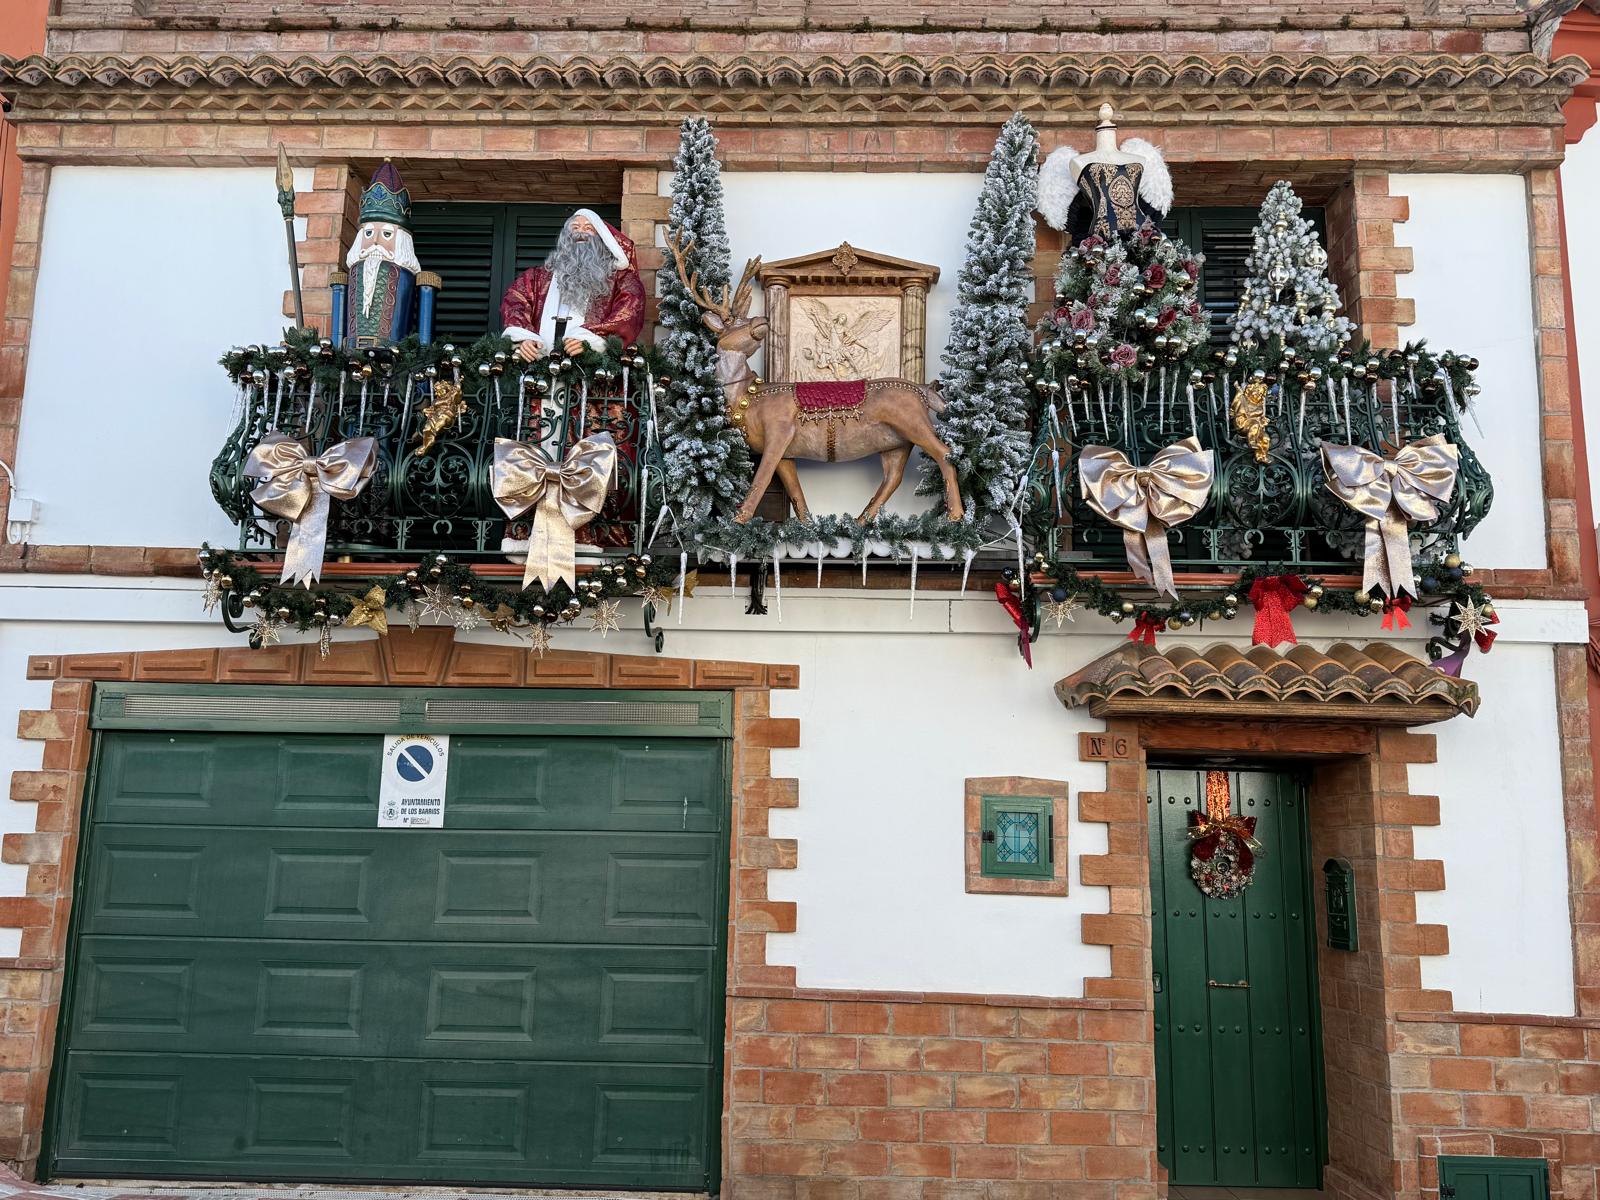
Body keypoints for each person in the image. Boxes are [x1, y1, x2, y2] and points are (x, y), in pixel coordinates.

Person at [500, 209, 645, 361]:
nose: (580, 232)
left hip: (591, 372)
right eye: (575, 227)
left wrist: (590, 341)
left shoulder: (621, 279)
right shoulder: (536, 277)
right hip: (539, 369)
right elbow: (515, 302)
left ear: (602, 238)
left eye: (588, 228)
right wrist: (525, 337)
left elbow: (629, 311)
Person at [343, 161, 424, 348]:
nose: (376, 241)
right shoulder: (355, 270)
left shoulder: (404, 274)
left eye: (387, 234)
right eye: (369, 233)